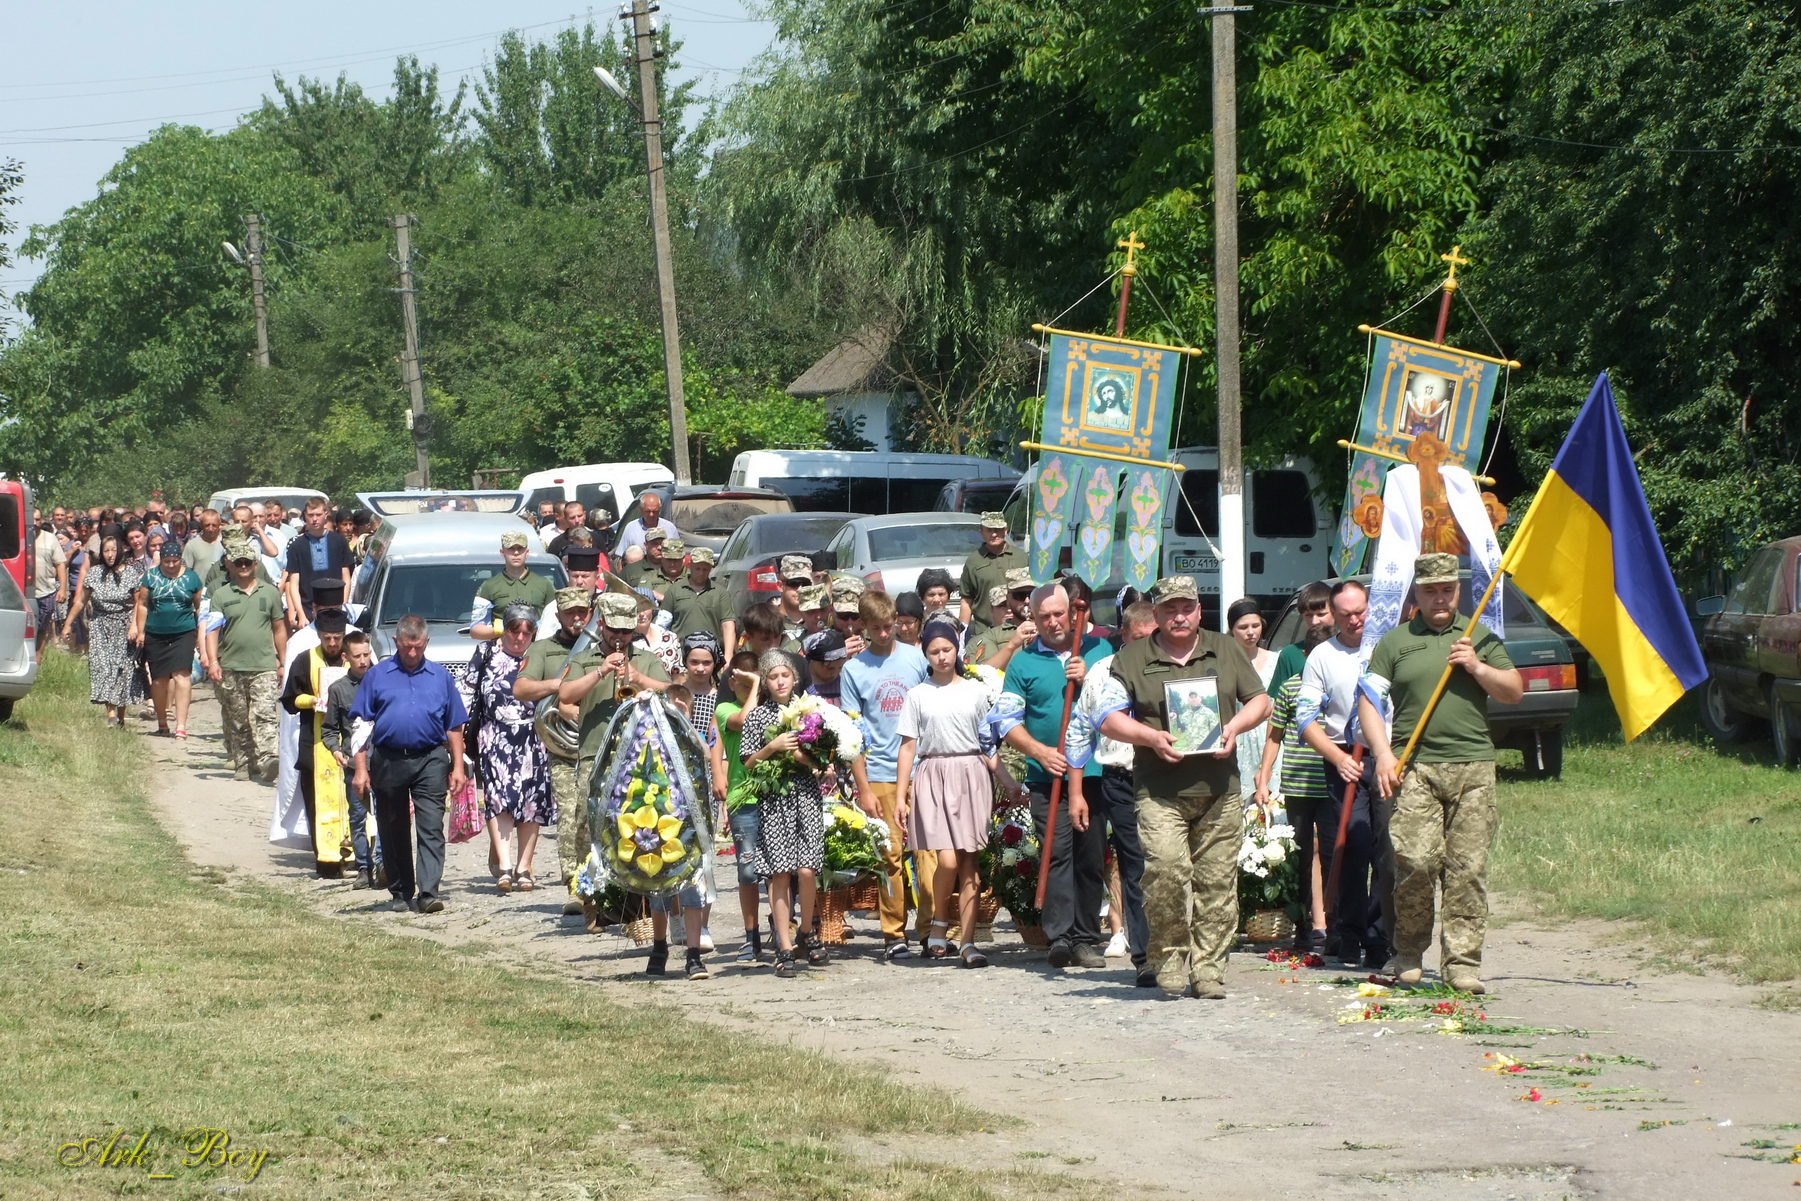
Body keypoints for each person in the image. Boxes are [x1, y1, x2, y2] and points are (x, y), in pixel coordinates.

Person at [1091, 575, 1270, 999]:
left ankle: (1208, 970)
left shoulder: (1225, 648)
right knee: (1166, 874)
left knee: (1217, 884)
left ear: (1199, 610)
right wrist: (1150, 737)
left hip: (1219, 788)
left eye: (1186, 607)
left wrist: (1234, 727)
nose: (1179, 616)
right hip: (1159, 790)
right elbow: (1107, 717)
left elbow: (1261, 702)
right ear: (1156, 613)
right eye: (1169, 609)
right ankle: (1169, 958)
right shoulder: (1131, 658)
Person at [1356, 554, 1521, 993]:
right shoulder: (1394, 643)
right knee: (1414, 861)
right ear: (1417, 594)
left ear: (1458, 591)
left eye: (1447, 589)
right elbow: (1368, 700)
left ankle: (1462, 964)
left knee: (1467, 869)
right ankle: (1408, 953)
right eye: (1430, 590)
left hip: (1473, 768)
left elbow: (1514, 691)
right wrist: (1383, 755)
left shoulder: (1478, 636)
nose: (1440, 598)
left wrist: (1477, 666)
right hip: (1415, 769)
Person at [993, 583, 1114, 969]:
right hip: (1047, 777)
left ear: (1074, 614)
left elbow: (1119, 703)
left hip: (1094, 772)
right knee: (1057, 852)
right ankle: (1060, 936)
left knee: (1089, 856)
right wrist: (1039, 751)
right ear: (1033, 618)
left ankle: (1085, 939)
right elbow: (1006, 721)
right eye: (1044, 616)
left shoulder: (1099, 651)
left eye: (1059, 614)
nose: (1052, 622)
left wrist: (1090, 677)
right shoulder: (1023, 663)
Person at [895, 619, 1024, 967]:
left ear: (957, 650)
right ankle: (939, 921)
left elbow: (987, 745)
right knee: (947, 859)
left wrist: (1009, 782)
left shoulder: (975, 692)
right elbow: (908, 746)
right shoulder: (917, 695)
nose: (942, 656)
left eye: (947, 649)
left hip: (971, 775)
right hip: (934, 774)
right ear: (926, 654)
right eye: (934, 651)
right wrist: (901, 795)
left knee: (969, 863)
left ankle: (967, 942)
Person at [554, 592, 673, 908]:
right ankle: (586, 893)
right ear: (601, 624)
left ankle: (631, 897)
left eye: (626, 631)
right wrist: (601, 671)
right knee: (588, 822)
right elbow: (565, 694)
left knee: (635, 822)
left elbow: (672, 692)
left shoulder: (646, 659)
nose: (620, 637)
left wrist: (639, 677)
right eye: (614, 630)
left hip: (639, 754)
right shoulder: (584, 659)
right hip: (595, 753)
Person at [1063, 599, 1158, 983]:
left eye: (1153, 637)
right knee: (1135, 867)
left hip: (1168, 779)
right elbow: (1078, 733)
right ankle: (1145, 956)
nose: (1146, 645)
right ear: (1124, 636)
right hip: (1121, 778)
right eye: (1139, 638)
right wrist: (1075, 793)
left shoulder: (1172, 666)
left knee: (1170, 865)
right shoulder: (1103, 672)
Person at [351, 615, 468, 913]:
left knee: (431, 825)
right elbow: (361, 724)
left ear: (426, 642)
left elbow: (455, 724)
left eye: (418, 647)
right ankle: (401, 890)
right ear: (396, 642)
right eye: (406, 647)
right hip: (388, 758)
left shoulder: (441, 677)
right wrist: (361, 769)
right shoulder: (377, 675)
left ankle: (428, 892)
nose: (412, 653)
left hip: (430, 758)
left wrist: (457, 766)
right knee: (393, 826)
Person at [841, 591, 931, 961]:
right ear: (863, 626)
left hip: (921, 769)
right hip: (879, 771)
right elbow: (852, 734)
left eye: (889, 625)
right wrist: (863, 787)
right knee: (890, 856)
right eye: (876, 628)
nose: (884, 633)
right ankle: (894, 933)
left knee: (928, 853)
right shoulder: (854, 670)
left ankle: (930, 928)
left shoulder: (916, 659)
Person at [1296, 579, 1383, 965]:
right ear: (1333, 614)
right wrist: (1336, 757)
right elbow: (1305, 718)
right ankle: (1348, 932)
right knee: (1352, 845)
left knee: (1386, 847)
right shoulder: (1322, 656)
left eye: (1360, 611)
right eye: (1346, 614)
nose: (1354, 620)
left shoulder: (1386, 647)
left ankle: (1379, 936)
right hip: (1344, 758)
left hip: (1387, 756)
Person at [739, 650, 829, 979]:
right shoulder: (757, 717)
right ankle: (785, 945)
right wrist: (773, 747)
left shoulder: (810, 711)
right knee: (779, 873)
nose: (780, 682)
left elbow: (823, 759)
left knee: (807, 869)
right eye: (773, 677)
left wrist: (807, 757)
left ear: (795, 678)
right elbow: (749, 763)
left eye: (785, 675)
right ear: (765, 681)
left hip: (805, 795)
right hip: (775, 799)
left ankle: (806, 931)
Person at [461, 603, 556, 894]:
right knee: (499, 798)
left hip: (533, 737)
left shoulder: (539, 654)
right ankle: (504, 866)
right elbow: (467, 690)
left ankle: (524, 867)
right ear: (506, 630)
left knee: (531, 801)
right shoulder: (486, 652)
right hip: (495, 736)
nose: (520, 638)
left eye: (527, 633)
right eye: (515, 631)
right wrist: (458, 731)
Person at [1258, 621, 1338, 954]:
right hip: (1298, 784)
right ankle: (1303, 927)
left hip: (1332, 783)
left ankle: (1336, 927)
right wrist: (1264, 777)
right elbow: (1274, 736)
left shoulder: (1338, 685)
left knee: (1335, 855)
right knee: (1301, 858)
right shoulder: (1290, 687)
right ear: (1305, 655)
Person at [514, 588, 597, 913]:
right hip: (563, 747)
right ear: (559, 615)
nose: (577, 618)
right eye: (570, 613)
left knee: (597, 815)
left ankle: (605, 885)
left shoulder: (601, 648)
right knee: (570, 813)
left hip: (599, 743)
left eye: (582, 612)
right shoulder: (542, 649)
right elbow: (521, 688)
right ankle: (575, 885)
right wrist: (560, 688)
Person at [280, 608, 355, 878]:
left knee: (353, 801)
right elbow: (290, 699)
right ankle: (326, 861)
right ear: (319, 636)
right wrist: (311, 701)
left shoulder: (355, 659)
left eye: (337, 638)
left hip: (351, 741)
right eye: (327, 638)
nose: (332, 644)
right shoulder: (305, 660)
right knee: (317, 803)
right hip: (315, 741)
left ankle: (355, 858)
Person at [207, 547, 288, 782]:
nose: (243, 566)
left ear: (255, 565)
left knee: (265, 714)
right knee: (239, 719)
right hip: (231, 666)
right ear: (231, 565)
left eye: (247, 562)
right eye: (239, 562)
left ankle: (269, 758)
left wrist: (283, 662)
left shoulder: (270, 592)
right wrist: (213, 662)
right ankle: (244, 762)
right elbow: (212, 631)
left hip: (264, 666)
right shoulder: (221, 595)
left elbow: (279, 629)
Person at [715, 649, 765, 963]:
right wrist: (756, 684)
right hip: (743, 799)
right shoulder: (724, 709)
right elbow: (744, 721)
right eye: (744, 685)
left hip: (772, 796)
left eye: (753, 684)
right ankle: (751, 934)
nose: (749, 691)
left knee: (780, 872)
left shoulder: (773, 708)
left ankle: (782, 928)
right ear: (733, 683)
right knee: (747, 871)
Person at [322, 629, 382, 890]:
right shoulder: (338, 690)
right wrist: (335, 750)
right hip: (353, 765)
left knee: (384, 815)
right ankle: (363, 867)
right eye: (357, 656)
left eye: (366, 655)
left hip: (382, 762)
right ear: (346, 657)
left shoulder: (382, 682)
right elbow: (328, 728)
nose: (363, 661)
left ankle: (382, 863)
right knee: (357, 818)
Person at [69, 534, 144, 724]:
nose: (110, 554)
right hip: (100, 626)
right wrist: (68, 624)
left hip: (124, 626)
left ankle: (120, 716)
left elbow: (139, 602)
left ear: (120, 551)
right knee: (103, 667)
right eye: (106, 550)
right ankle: (111, 714)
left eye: (113, 550)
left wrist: (134, 626)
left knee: (122, 670)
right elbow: (81, 601)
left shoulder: (130, 573)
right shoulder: (95, 573)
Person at [134, 539, 204, 738]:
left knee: (182, 674)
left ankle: (181, 725)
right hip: (156, 633)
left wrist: (199, 634)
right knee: (159, 680)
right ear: (161, 560)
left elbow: (198, 605)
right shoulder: (150, 577)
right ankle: (162, 721)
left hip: (184, 632)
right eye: (167, 561)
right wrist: (141, 631)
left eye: (175, 561)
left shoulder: (191, 578)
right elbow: (143, 604)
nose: (171, 565)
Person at [1226, 598, 1279, 802]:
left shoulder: (1276, 660)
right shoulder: (1224, 663)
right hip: (1239, 738)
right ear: (1232, 630)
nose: (1250, 632)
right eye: (1243, 627)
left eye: (1255, 626)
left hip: (1271, 737)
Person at [469, 530, 557, 642]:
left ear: (527, 552)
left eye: (520, 549)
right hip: (502, 649)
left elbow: (556, 621)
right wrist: (504, 630)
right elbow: (475, 630)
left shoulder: (544, 584)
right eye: (511, 548)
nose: (516, 553)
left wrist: (536, 627)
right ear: (502, 552)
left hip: (536, 648)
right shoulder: (489, 586)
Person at [282, 498, 354, 628]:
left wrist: (342, 605)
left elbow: (346, 578)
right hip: (308, 610)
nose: (314, 519)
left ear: (326, 514)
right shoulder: (297, 545)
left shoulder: (339, 541)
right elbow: (293, 584)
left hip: (335, 607)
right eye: (310, 515)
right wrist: (301, 614)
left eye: (318, 514)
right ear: (305, 516)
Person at [663, 545, 736, 660]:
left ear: (711, 568)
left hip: (710, 656)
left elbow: (728, 625)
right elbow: (663, 624)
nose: (701, 573)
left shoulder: (720, 593)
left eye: (705, 569)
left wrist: (728, 656)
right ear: (689, 565)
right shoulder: (675, 590)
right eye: (697, 568)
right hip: (679, 655)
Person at [958, 512, 1027, 634]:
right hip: (985, 631)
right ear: (981, 532)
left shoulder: (1021, 557)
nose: (994, 534)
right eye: (989, 530)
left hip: (1020, 629)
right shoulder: (973, 561)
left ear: (1005, 530)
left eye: (998, 530)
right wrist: (962, 634)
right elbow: (967, 601)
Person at [1269, 581, 1335, 696]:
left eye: (1321, 614)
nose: (1315, 621)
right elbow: (1276, 700)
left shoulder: (1349, 649)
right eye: (1308, 615)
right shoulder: (1290, 654)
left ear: (1335, 613)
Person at [966, 569, 1038, 670]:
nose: (1027, 601)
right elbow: (984, 673)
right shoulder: (992, 635)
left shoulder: (1051, 626)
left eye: (1032, 594)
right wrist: (1012, 644)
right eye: (1019, 596)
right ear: (1008, 598)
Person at [32, 517, 67, 653]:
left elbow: (60, 564)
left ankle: (38, 656)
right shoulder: (19, 537)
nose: (34, 522)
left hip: (46, 591)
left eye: (37, 519)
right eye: (31, 518)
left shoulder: (50, 538)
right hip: (24, 592)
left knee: (42, 627)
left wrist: (62, 589)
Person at [617, 491, 678, 557]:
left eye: (655, 511)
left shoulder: (670, 528)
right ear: (641, 509)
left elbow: (677, 554)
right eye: (647, 511)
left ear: (660, 509)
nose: (651, 514)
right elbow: (621, 557)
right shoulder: (631, 528)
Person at [803, 628, 850, 707]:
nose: (835, 673)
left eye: (840, 667)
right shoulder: (801, 681)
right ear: (814, 660)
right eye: (830, 668)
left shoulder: (843, 683)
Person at [775, 555, 814, 642]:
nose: (800, 589)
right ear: (780, 586)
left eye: (805, 584)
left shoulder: (816, 621)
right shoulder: (767, 622)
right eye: (794, 583)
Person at [829, 578, 867, 656]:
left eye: (855, 616)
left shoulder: (876, 636)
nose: (850, 622)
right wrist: (838, 655)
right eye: (843, 615)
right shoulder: (821, 641)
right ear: (831, 610)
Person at [182, 509, 226, 576]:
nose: (210, 529)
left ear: (219, 524)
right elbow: (185, 572)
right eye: (207, 525)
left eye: (214, 525)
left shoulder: (226, 544)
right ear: (201, 524)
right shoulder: (192, 545)